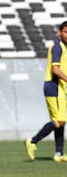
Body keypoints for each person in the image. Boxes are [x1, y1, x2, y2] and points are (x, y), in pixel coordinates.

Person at [25, 21, 67, 162]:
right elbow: (55, 69)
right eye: (66, 32)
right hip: (54, 87)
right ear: (59, 32)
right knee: (60, 120)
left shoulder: (63, 47)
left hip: (59, 88)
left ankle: (59, 153)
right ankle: (33, 141)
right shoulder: (57, 47)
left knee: (60, 121)